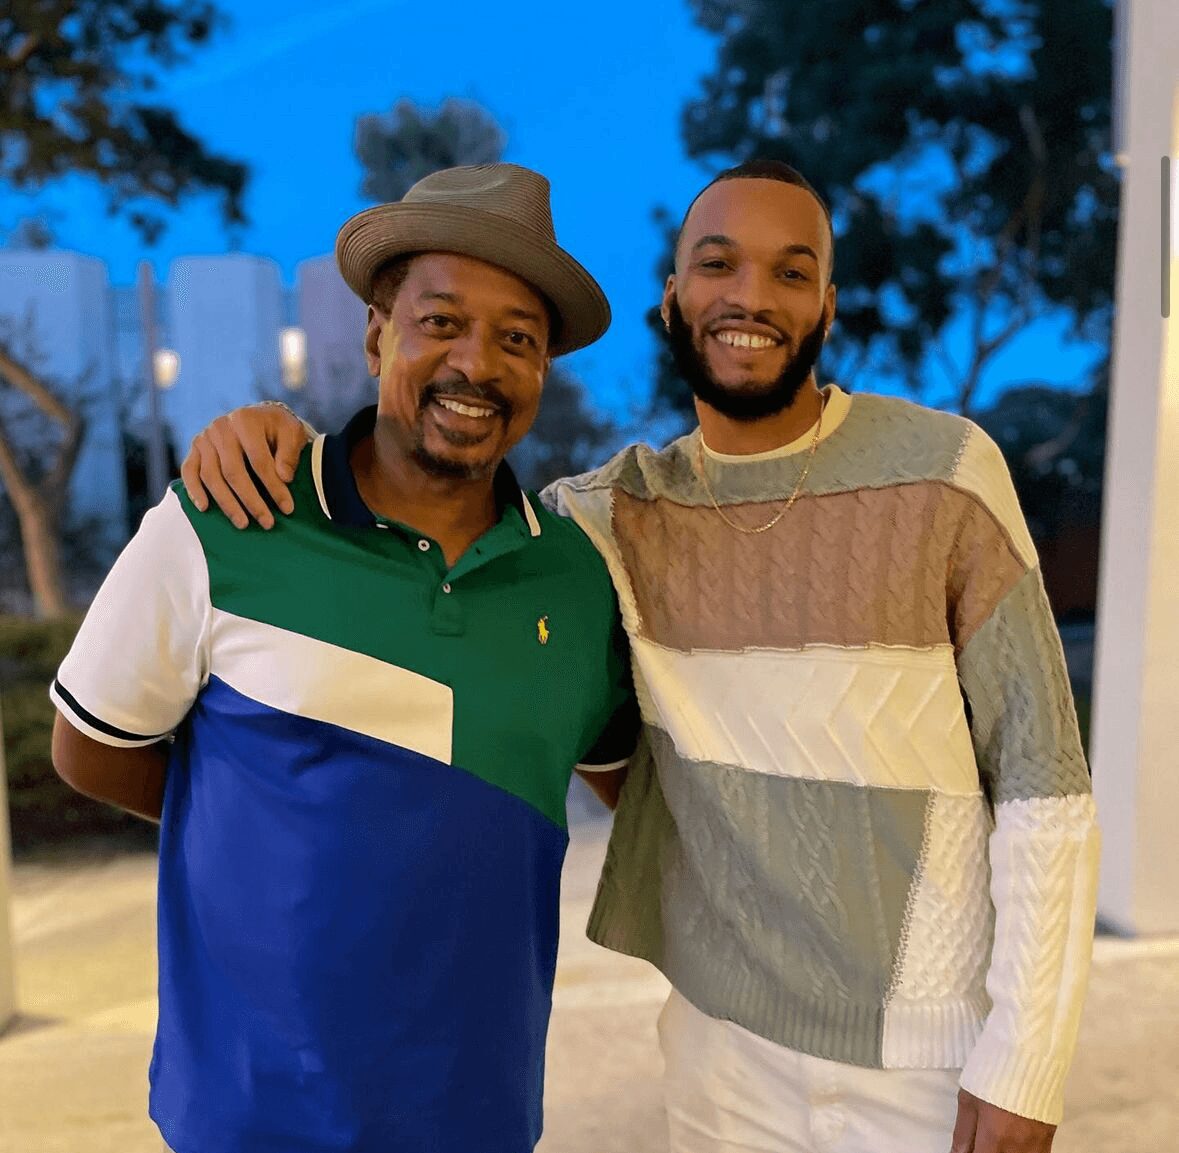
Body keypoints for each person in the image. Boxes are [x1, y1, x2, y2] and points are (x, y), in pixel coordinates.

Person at [182, 159, 1100, 1153]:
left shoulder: (946, 471)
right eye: (718, 264)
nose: (751, 296)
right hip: (720, 1057)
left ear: (827, 307)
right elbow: (439, 518)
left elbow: (1045, 783)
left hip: (929, 1062)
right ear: (673, 299)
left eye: (791, 272)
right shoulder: (606, 519)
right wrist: (278, 438)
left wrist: (1024, 1063)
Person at [49, 162, 638, 1153]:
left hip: (477, 1117)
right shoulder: (228, 519)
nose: (477, 363)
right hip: (247, 1118)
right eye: (440, 321)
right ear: (376, 335)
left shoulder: (576, 580)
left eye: (518, 339)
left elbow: (640, 794)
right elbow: (90, 750)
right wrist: (276, 829)